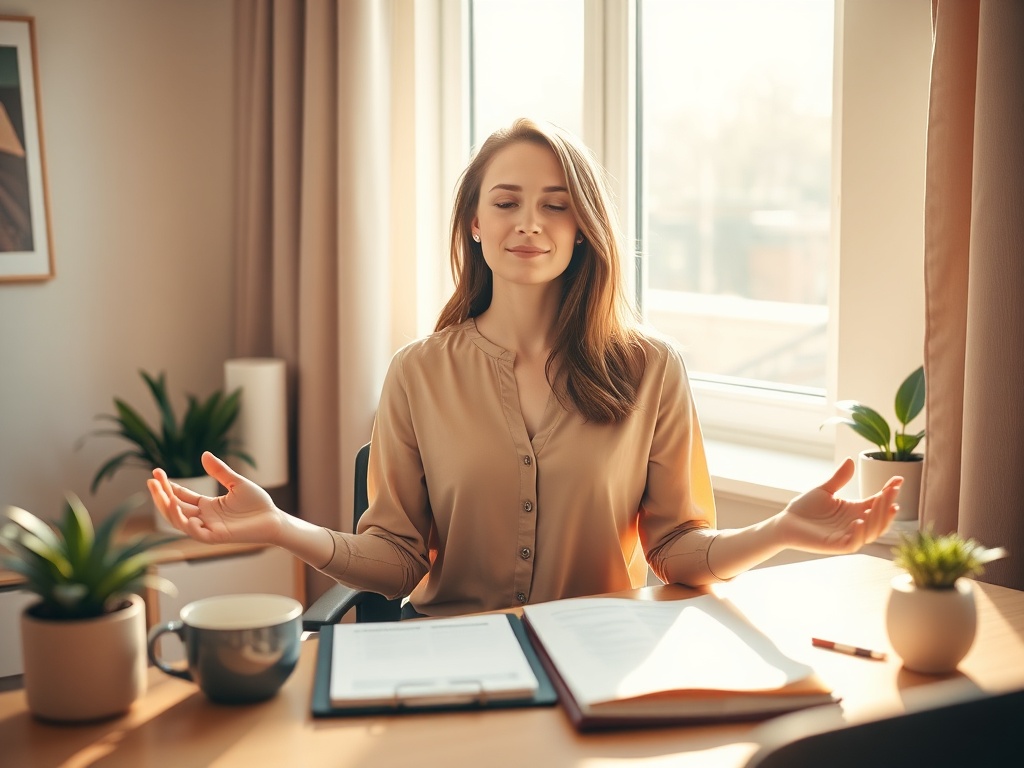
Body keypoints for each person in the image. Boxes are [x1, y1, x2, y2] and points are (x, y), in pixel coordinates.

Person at [148, 118, 902, 617]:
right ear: (475, 225)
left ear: (583, 230)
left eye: (556, 205)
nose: (530, 223)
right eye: (506, 202)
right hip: (450, 665)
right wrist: (281, 528)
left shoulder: (652, 371)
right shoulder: (416, 374)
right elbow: (396, 561)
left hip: (597, 667)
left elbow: (677, 552)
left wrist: (779, 531)